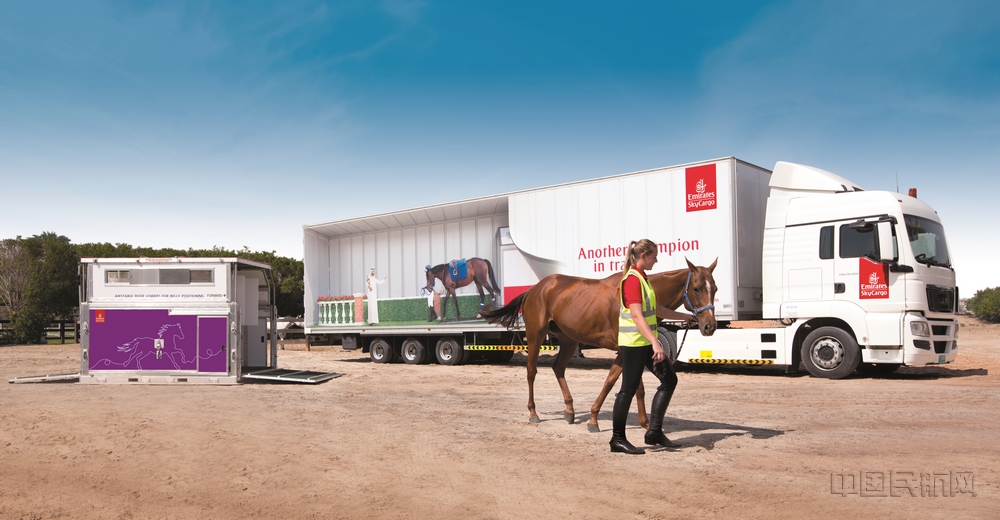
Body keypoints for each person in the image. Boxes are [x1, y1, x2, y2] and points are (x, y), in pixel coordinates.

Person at [610, 239, 696, 455]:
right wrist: (656, 342)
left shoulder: (642, 279)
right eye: (654, 256)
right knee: (627, 390)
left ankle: (654, 432)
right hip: (635, 344)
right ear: (643, 256)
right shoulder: (631, 280)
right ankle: (617, 439)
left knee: (669, 380)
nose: (656, 260)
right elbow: (637, 316)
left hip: (645, 342)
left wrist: (683, 317)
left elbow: (655, 309)